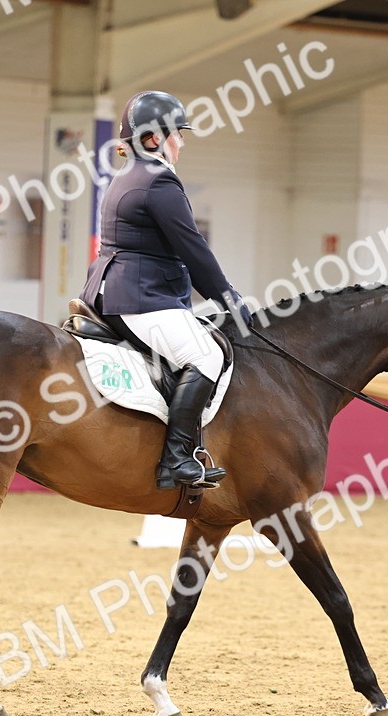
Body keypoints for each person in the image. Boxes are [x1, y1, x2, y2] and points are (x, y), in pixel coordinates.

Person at [80, 90, 254, 490]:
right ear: (154, 138)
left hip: (113, 292)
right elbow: (192, 248)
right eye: (178, 133)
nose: (183, 142)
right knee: (206, 355)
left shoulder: (126, 177)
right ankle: (175, 459)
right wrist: (228, 298)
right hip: (140, 297)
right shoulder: (159, 182)